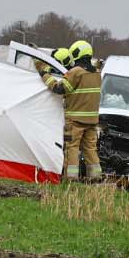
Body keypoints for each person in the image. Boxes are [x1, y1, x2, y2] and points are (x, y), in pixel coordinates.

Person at [39, 39, 103, 181]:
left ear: (76, 54)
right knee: (90, 149)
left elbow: (59, 89)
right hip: (92, 121)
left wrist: (44, 74)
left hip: (75, 121)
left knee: (71, 149)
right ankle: (96, 177)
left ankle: (71, 178)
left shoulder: (76, 72)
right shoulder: (97, 73)